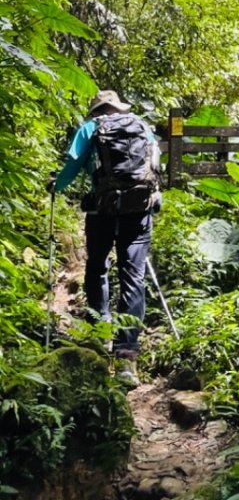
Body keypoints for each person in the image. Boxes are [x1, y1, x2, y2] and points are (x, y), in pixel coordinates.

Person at [51, 89, 159, 388]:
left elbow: (73, 165)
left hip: (102, 209)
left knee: (97, 266)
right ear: (119, 108)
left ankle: (99, 335)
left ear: (97, 110)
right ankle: (127, 356)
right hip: (139, 210)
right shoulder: (142, 125)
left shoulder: (90, 128)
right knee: (133, 276)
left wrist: (56, 186)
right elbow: (155, 165)